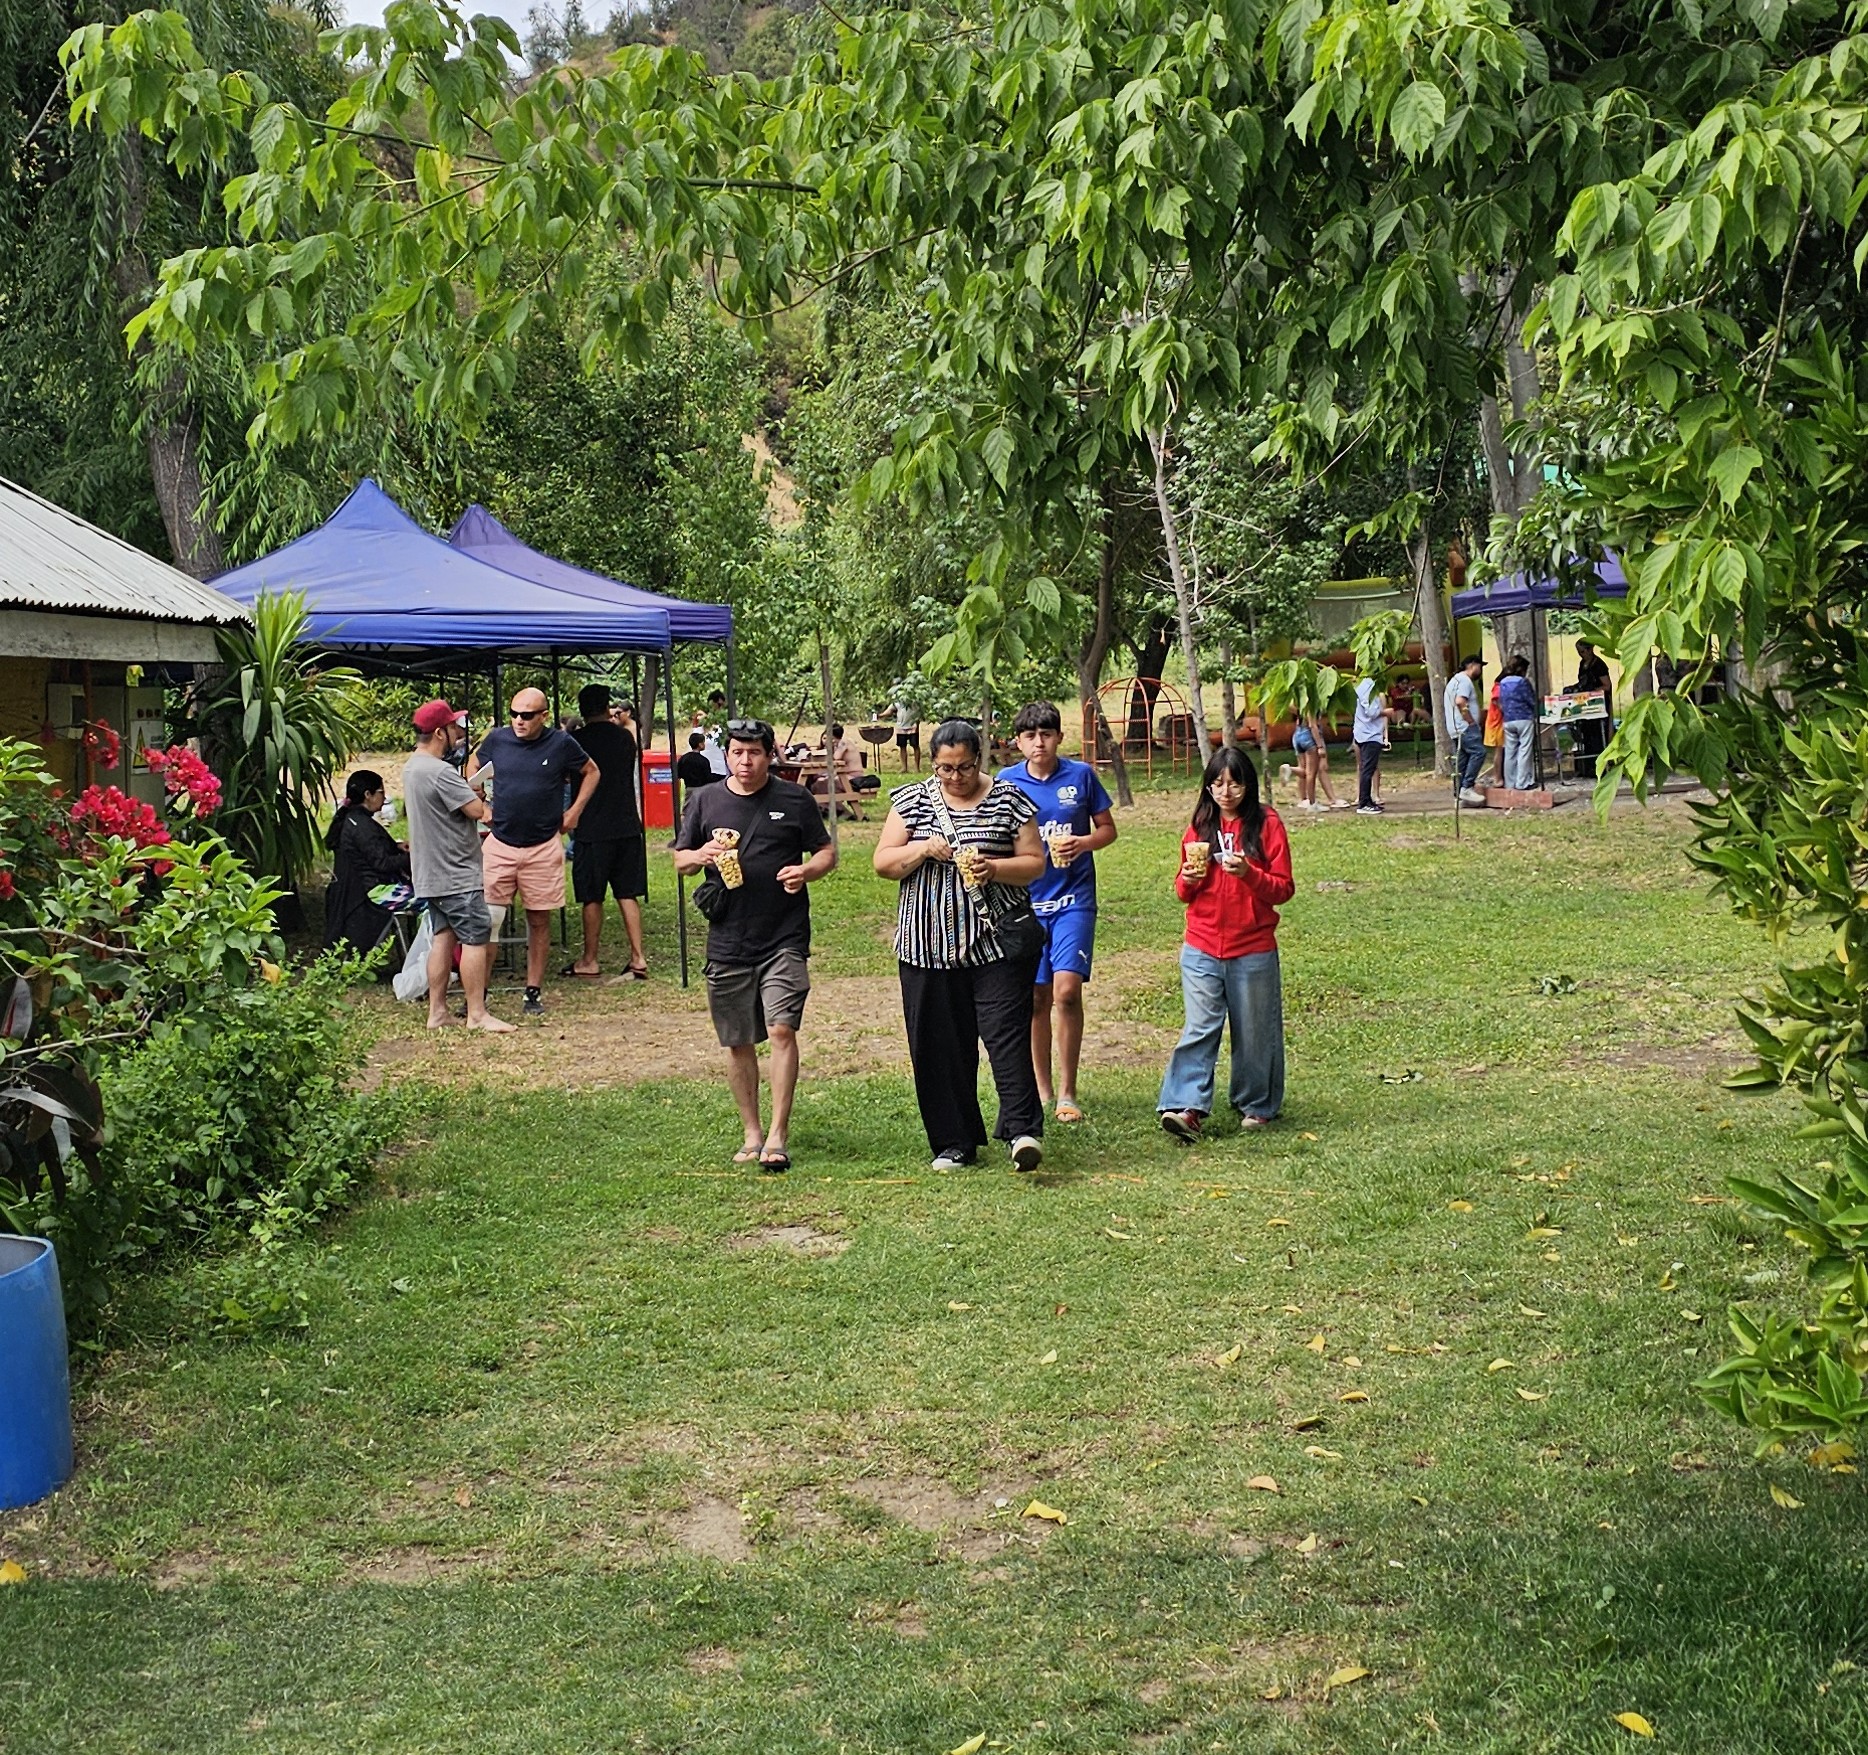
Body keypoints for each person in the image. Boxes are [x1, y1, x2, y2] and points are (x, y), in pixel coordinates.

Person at [874, 719, 1048, 1172]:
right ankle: (954, 1141)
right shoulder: (912, 801)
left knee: (1006, 1036)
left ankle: (1022, 1130)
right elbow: (884, 862)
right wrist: (921, 850)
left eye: (965, 767)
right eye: (945, 769)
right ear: (933, 765)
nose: (955, 777)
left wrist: (994, 868)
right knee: (939, 1045)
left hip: (995, 945)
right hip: (926, 948)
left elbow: (1034, 863)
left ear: (979, 760)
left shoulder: (1009, 799)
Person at [673, 718, 837, 1173]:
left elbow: (826, 852)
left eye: (754, 753)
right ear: (727, 755)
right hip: (728, 938)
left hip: (784, 934)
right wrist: (699, 855)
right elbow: (681, 860)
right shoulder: (705, 799)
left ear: (769, 756)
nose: (745, 761)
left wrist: (806, 871)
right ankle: (752, 1131)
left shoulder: (794, 799)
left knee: (782, 1029)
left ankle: (778, 1133)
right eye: (737, 753)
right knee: (739, 1040)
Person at [1158, 746, 1293, 1140]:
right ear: (1208, 787)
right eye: (1217, 784)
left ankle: (1256, 1104)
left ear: (1248, 786)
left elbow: (1283, 888)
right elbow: (1182, 891)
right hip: (1201, 945)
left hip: (1252, 946)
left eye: (1235, 784)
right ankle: (1187, 1107)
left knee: (1255, 1031)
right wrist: (1188, 878)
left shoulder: (1267, 824)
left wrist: (1249, 873)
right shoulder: (1201, 825)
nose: (1226, 792)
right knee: (1200, 1026)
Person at [995, 701, 1116, 1124]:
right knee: (1035, 997)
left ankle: (1068, 1091)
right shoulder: (1006, 782)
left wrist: (1082, 843)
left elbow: (1107, 829)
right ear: (1018, 742)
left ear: (1059, 737)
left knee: (1066, 991)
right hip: (1026, 903)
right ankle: (1043, 1090)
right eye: (1030, 736)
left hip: (1073, 900)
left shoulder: (1081, 776)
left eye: (1046, 734)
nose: (1039, 743)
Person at [468, 687, 599, 1017]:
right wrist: (479, 800)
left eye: (526, 715)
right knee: (489, 920)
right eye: (514, 713)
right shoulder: (498, 739)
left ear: (544, 716)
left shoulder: (561, 743)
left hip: (542, 845)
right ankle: (478, 995)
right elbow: (473, 763)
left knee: (539, 920)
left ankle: (533, 991)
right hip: (500, 843)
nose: (518, 720)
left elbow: (592, 771)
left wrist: (575, 812)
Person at [402, 700, 512, 1032]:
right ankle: (477, 1014)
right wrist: (478, 795)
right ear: (440, 733)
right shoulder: (440, 771)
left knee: (443, 938)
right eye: (453, 728)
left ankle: (437, 1012)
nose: (458, 735)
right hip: (456, 873)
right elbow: (476, 812)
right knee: (476, 937)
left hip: (430, 873)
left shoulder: (412, 767)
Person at [565, 682, 649, 981]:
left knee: (592, 896)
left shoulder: (576, 741)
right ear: (606, 706)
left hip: (591, 827)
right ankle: (638, 957)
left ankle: (590, 959)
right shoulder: (625, 738)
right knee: (627, 893)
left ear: (582, 709)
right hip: (626, 823)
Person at [321, 769, 411, 961]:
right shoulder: (362, 826)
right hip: (374, 892)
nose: (384, 797)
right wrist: (414, 857)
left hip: (359, 890)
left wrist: (395, 847)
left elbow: (370, 851)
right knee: (432, 901)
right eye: (381, 792)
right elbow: (382, 863)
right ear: (368, 795)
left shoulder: (353, 820)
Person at [1443, 653, 1487, 803]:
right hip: (1465, 726)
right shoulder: (1465, 681)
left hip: (1455, 727)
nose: (1480, 671)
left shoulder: (1454, 680)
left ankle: (1459, 795)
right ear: (1472, 665)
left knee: (1462, 760)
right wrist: (1470, 721)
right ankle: (1467, 787)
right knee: (1479, 752)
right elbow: (1460, 701)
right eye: (1480, 666)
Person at [1352, 672, 1394, 814]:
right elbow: (1370, 712)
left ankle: (1368, 800)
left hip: (1366, 733)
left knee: (1367, 768)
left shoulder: (1364, 686)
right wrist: (1385, 712)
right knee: (1367, 770)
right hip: (1369, 735)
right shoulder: (1368, 687)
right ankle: (1363, 803)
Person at [1292, 713, 1348, 812]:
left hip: (1298, 734)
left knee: (1304, 769)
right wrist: (1320, 746)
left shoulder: (1300, 705)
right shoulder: (1312, 706)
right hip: (1310, 736)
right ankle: (1312, 803)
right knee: (1311, 773)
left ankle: (1290, 771)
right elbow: (1312, 725)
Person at [1572, 640, 1612, 777]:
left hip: (1598, 704)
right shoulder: (1582, 664)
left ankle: (1600, 766)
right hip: (1585, 704)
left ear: (1590, 650)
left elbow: (1607, 685)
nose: (1580, 654)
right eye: (1578, 652)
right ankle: (1588, 766)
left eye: (1582, 652)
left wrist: (1593, 692)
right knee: (1586, 734)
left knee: (1597, 735)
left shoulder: (1599, 665)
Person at [1498, 655, 1539, 789]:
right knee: (1524, 750)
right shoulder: (1522, 682)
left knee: (1510, 752)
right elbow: (1531, 700)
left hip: (1508, 719)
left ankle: (1510, 782)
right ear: (1521, 669)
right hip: (1524, 718)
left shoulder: (1503, 682)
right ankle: (1523, 782)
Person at [894, 695, 922, 771]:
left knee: (915, 746)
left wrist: (917, 723)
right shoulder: (896, 699)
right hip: (900, 727)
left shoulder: (914, 697)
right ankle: (904, 768)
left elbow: (919, 711)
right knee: (902, 747)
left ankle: (917, 768)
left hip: (913, 726)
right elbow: (891, 709)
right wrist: (879, 715)